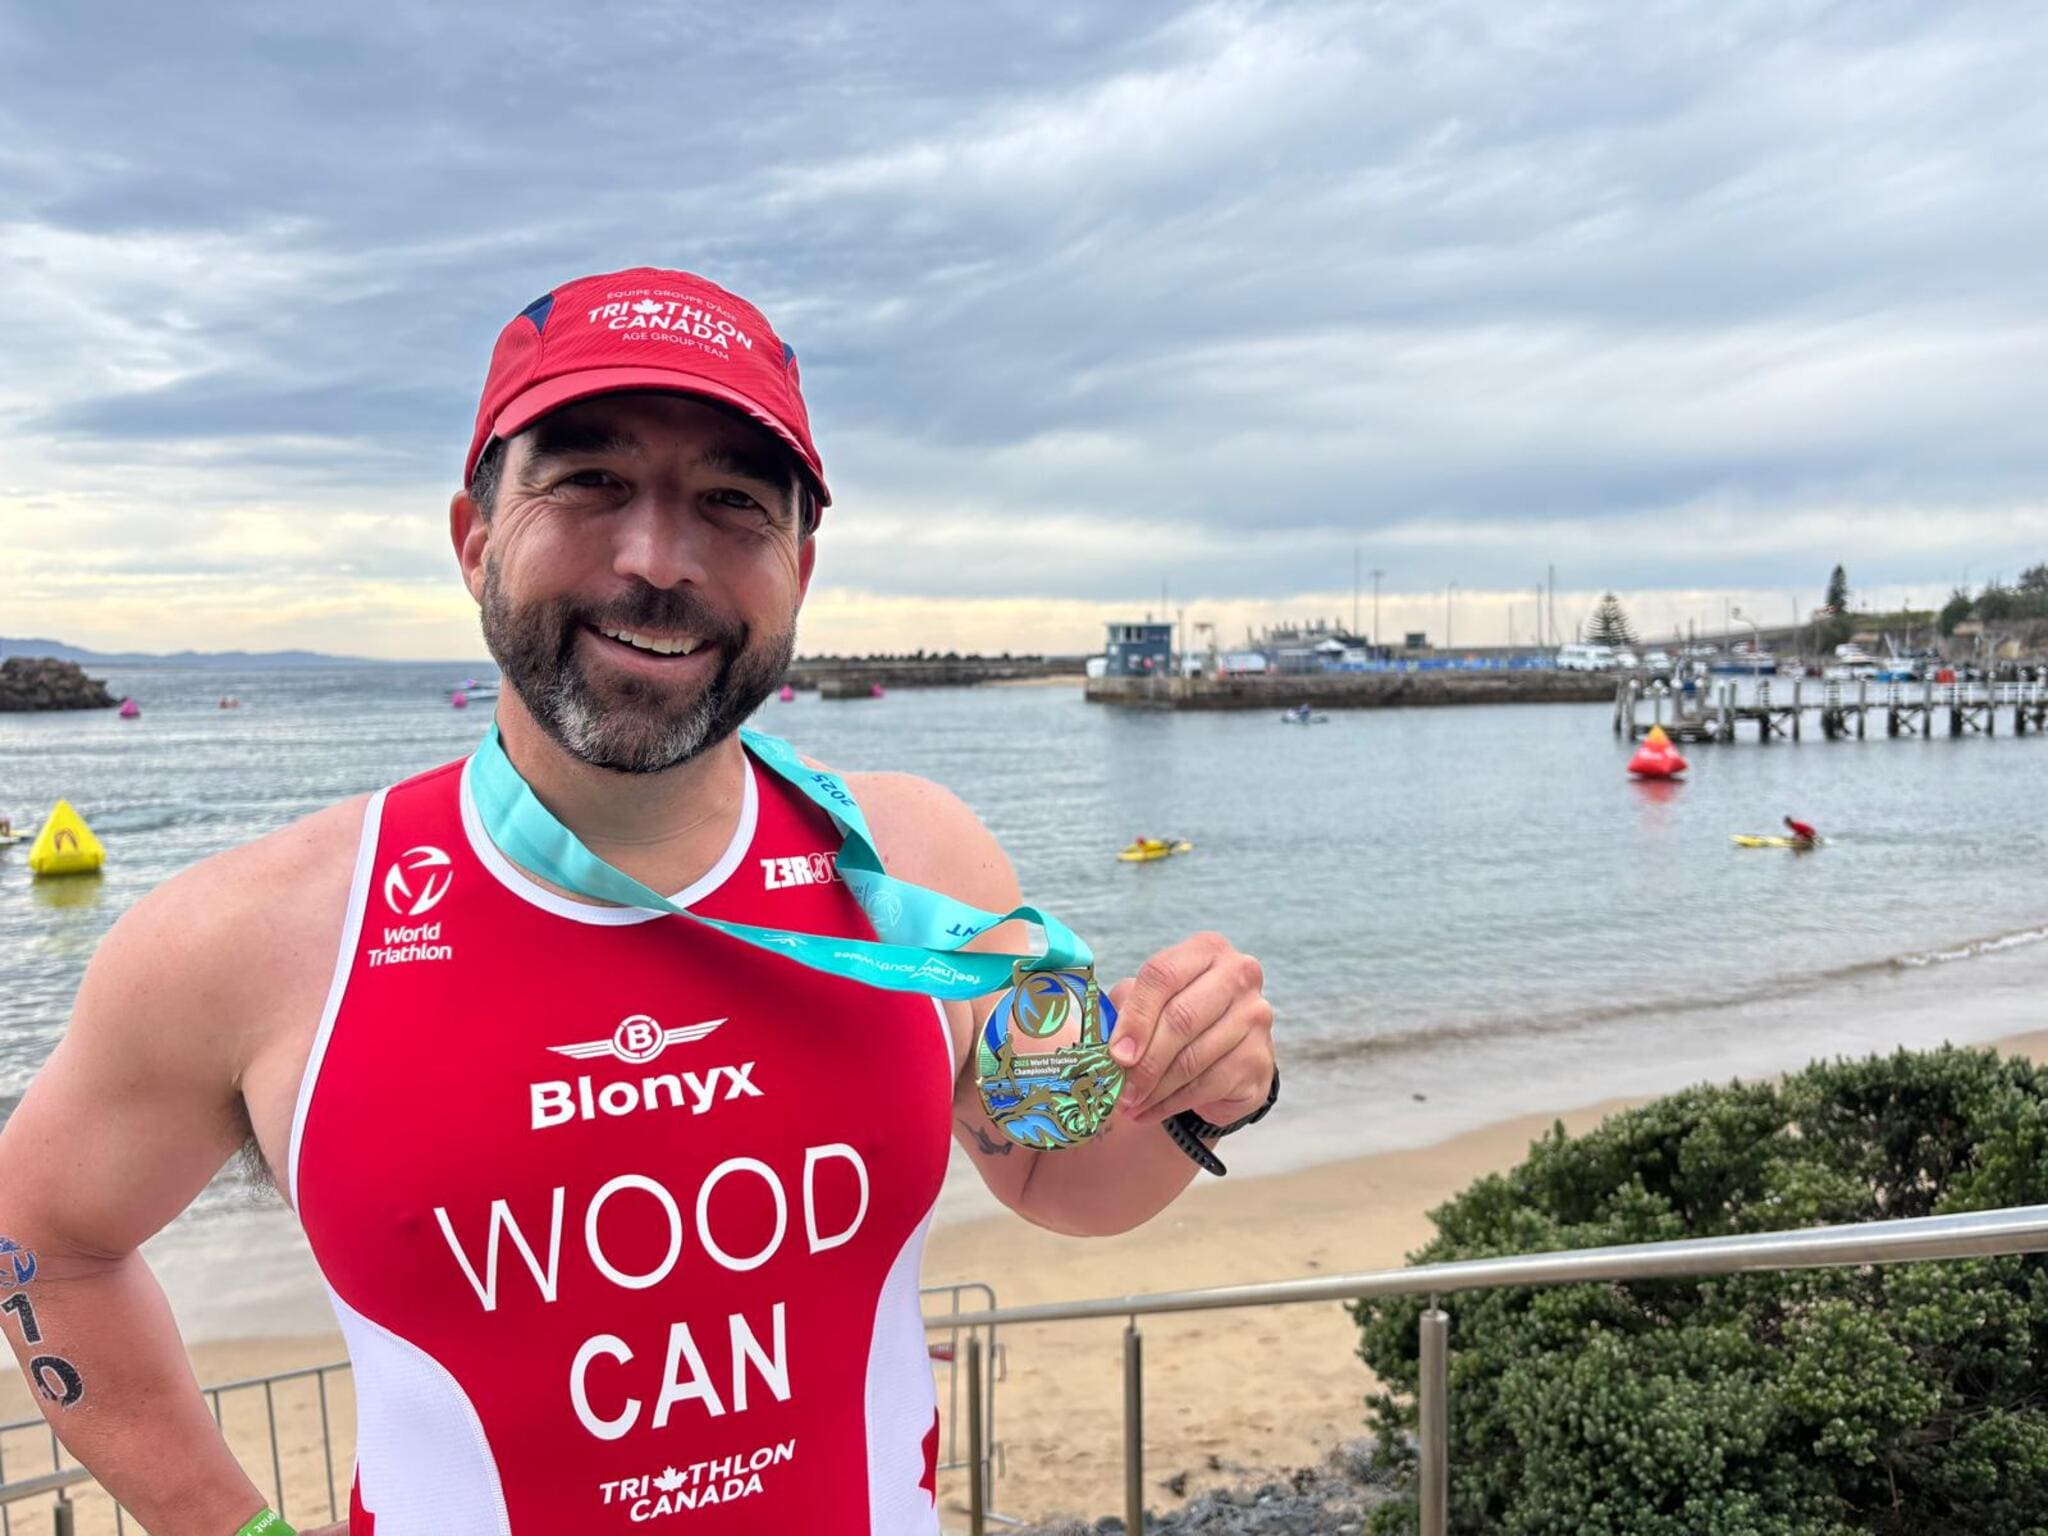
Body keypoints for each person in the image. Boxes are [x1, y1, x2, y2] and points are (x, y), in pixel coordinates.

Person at [0, 268, 1277, 1536]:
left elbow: (1058, 1172)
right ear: (474, 536)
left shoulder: (918, 862)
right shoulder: (251, 939)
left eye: (732, 502)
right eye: (588, 482)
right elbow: (42, 1240)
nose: (657, 561)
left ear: (798, 568)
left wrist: (1198, 1084)